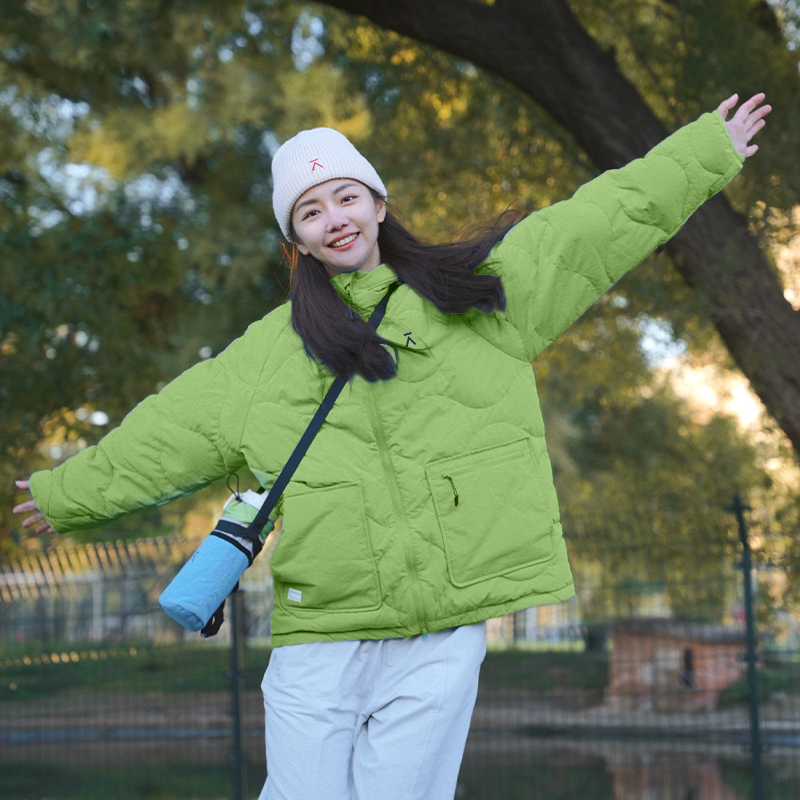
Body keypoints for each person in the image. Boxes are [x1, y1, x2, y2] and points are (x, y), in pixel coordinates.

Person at [13, 92, 770, 799]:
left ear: (378, 205)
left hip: (441, 631)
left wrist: (706, 152)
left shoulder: (478, 297)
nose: (333, 218)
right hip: (323, 631)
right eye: (309, 211)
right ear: (295, 241)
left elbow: (593, 225)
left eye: (345, 197)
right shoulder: (264, 357)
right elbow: (167, 431)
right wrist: (66, 496)